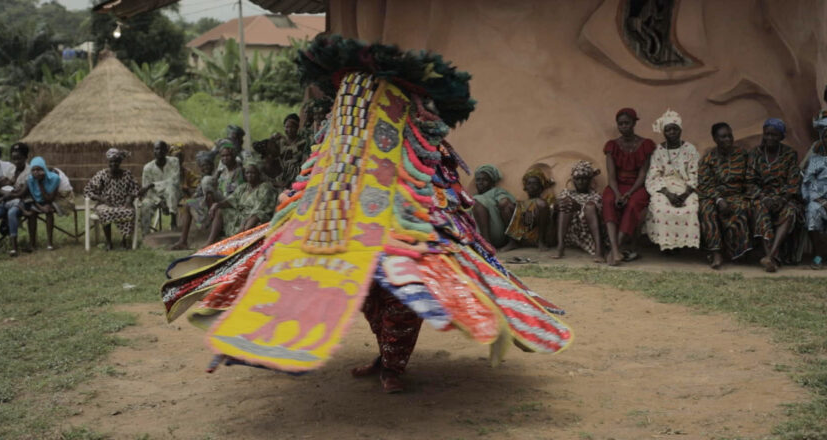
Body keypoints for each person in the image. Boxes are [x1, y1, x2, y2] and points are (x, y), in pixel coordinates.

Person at [159, 36, 571, 393]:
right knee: (362, 292)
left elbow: (434, 189)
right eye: (349, 95)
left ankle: (394, 366)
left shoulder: (422, 142)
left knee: (402, 292)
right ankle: (384, 358)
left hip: (410, 227)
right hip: (346, 224)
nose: (355, 101)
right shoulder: (339, 136)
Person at [602, 108, 656, 265]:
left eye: (627, 123)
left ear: (634, 123)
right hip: (617, 186)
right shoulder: (612, 146)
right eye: (620, 124)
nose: (623, 126)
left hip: (637, 187)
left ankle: (614, 250)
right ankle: (615, 248)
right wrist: (618, 194)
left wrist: (629, 193)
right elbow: (611, 177)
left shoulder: (645, 145)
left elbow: (642, 174)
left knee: (632, 204)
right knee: (608, 200)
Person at [747, 118, 802, 272]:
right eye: (767, 134)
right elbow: (750, 181)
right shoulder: (755, 153)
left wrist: (782, 199)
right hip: (761, 197)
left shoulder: (789, 154)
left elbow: (793, 181)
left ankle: (771, 256)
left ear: (782, 136)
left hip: (784, 197)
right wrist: (763, 197)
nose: (770, 138)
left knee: (790, 211)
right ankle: (770, 256)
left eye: (774, 135)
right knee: (760, 210)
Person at [644, 109, 700, 252]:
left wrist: (685, 194)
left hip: (686, 187)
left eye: (675, 129)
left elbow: (695, 174)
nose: (672, 133)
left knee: (692, 208)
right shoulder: (658, 150)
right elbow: (653, 176)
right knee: (660, 208)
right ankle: (667, 244)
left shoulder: (690, 149)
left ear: (680, 130)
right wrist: (668, 194)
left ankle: (685, 245)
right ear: (663, 132)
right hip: (664, 188)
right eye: (668, 130)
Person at [698, 122, 752, 269]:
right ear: (715, 139)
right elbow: (704, 184)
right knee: (707, 210)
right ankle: (716, 253)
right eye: (723, 137)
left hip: (736, 194)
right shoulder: (708, 158)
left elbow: (750, 178)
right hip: (713, 195)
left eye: (730, 135)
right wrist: (719, 199)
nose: (728, 139)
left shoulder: (742, 155)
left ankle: (738, 251)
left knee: (740, 208)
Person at [203, 161, 277, 246]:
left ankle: (239, 242)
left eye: (253, 173)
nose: (249, 175)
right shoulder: (243, 187)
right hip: (241, 214)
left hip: (257, 215)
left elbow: (260, 207)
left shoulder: (265, 187)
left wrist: (245, 220)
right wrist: (217, 205)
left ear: (259, 174)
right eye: (247, 173)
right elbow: (231, 200)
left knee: (255, 218)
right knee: (220, 211)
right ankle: (210, 241)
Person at [84, 149, 140, 250]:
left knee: (129, 211)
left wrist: (129, 199)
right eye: (111, 161)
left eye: (116, 161)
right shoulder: (101, 174)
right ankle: (109, 242)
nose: (114, 164)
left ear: (120, 162)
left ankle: (124, 241)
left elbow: (135, 189)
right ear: (108, 162)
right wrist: (101, 199)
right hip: (106, 204)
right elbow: (88, 191)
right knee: (105, 212)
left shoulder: (127, 174)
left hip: (122, 203)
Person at [553, 160, 605, 262]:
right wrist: (557, 205)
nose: (581, 182)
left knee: (590, 207)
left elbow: (596, 214)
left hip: (588, 236)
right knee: (565, 204)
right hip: (571, 234)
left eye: (584, 179)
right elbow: (555, 208)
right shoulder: (566, 193)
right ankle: (560, 246)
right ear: (573, 180)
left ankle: (599, 251)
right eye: (577, 179)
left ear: (590, 180)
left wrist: (579, 207)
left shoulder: (595, 195)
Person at [0, 143, 32, 256]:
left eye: (19, 158)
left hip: (22, 202)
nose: (16, 161)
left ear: (26, 157)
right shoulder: (11, 169)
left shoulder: (29, 172)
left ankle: (14, 247)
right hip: (7, 201)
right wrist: (8, 193)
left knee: (12, 213)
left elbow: (22, 193)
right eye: (14, 158)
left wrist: (4, 196)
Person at [170, 151, 218, 250]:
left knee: (196, 202)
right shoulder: (202, 179)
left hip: (213, 206)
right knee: (188, 204)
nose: (206, 168)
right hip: (203, 205)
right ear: (200, 168)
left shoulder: (213, 178)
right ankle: (183, 241)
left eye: (208, 165)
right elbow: (197, 193)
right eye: (203, 166)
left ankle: (208, 223)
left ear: (212, 166)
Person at [26, 156, 72, 250]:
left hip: (55, 198)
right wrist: (40, 207)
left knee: (49, 211)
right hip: (37, 202)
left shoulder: (54, 178)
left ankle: (50, 243)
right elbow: (33, 197)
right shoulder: (30, 180)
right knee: (32, 213)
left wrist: (40, 183)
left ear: (44, 169)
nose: (36, 172)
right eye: (33, 170)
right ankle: (32, 243)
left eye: (39, 169)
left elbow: (49, 198)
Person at [502, 167, 554, 251]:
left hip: (536, 235)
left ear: (541, 187)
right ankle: (512, 241)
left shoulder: (547, 200)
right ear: (525, 187)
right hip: (522, 235)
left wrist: (530, 207)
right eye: (529, 183)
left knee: (541, 204)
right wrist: (525, 209)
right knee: (504, 203)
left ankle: (541, 241)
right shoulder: (521, 204)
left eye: (535, 184)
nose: (531, 186)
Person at [138, 140, 180, 235]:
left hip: (173, 194)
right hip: (154, 196)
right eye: (157, 149)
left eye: (162, 149)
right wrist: (159, 201)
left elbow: (175, 181)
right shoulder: (148, 168)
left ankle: (173, 220)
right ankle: (146, 235)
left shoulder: (174, 162)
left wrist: (152, 185)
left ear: (166, 151)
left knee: (171, 187)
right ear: (154, 151)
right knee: (145, 205)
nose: (160, 151)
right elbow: (148, 191)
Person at [801, 119, 827, 269]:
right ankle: (819, 254)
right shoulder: (815, 160)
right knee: (812, 210)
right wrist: (821, 200)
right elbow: (807, 183)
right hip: (819, 199)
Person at [472, 164, 516, 249]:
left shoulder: (496, 191)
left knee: (477, 203)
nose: (480, 182)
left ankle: (487, 243)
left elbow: (506, 202)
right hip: (476, 233)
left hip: (496, 231)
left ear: (492, 183)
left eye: (485, 180)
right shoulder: (472, 196)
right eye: (478, 180)